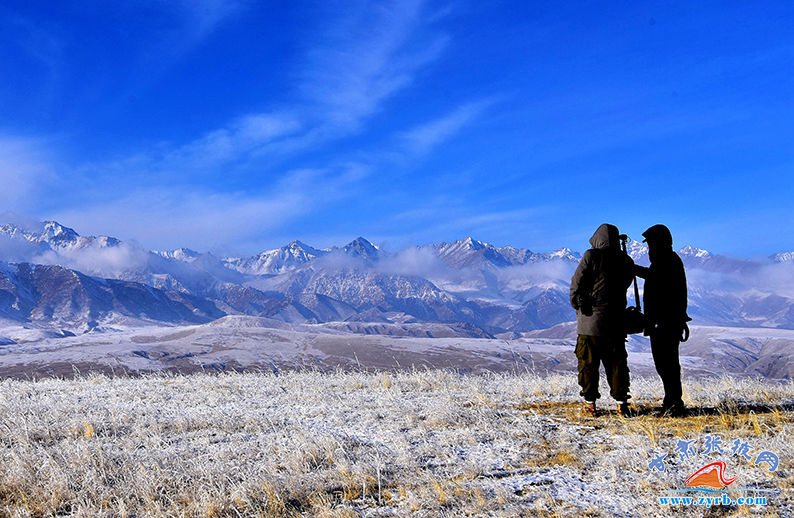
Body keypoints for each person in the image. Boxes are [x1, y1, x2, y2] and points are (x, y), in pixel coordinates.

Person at [570, 223, 635, 417]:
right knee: (616, 365)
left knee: (588, 364)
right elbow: (626, 282)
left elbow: (576, 283)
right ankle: (622, 404)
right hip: (616, 323)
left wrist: (578, 305)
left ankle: (591, 404)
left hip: (589, 324)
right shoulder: (625, 260)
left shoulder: (591, 256)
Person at [634, 224, 691, 417]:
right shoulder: (668, 260)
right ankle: (671, 401)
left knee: (667, 363)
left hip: (664, 323)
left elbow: (655, 278)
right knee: (667, 363)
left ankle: (674, 403)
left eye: (650, 244)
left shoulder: (666, 261)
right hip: (666, 322)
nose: (649, 248)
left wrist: (632, 269)